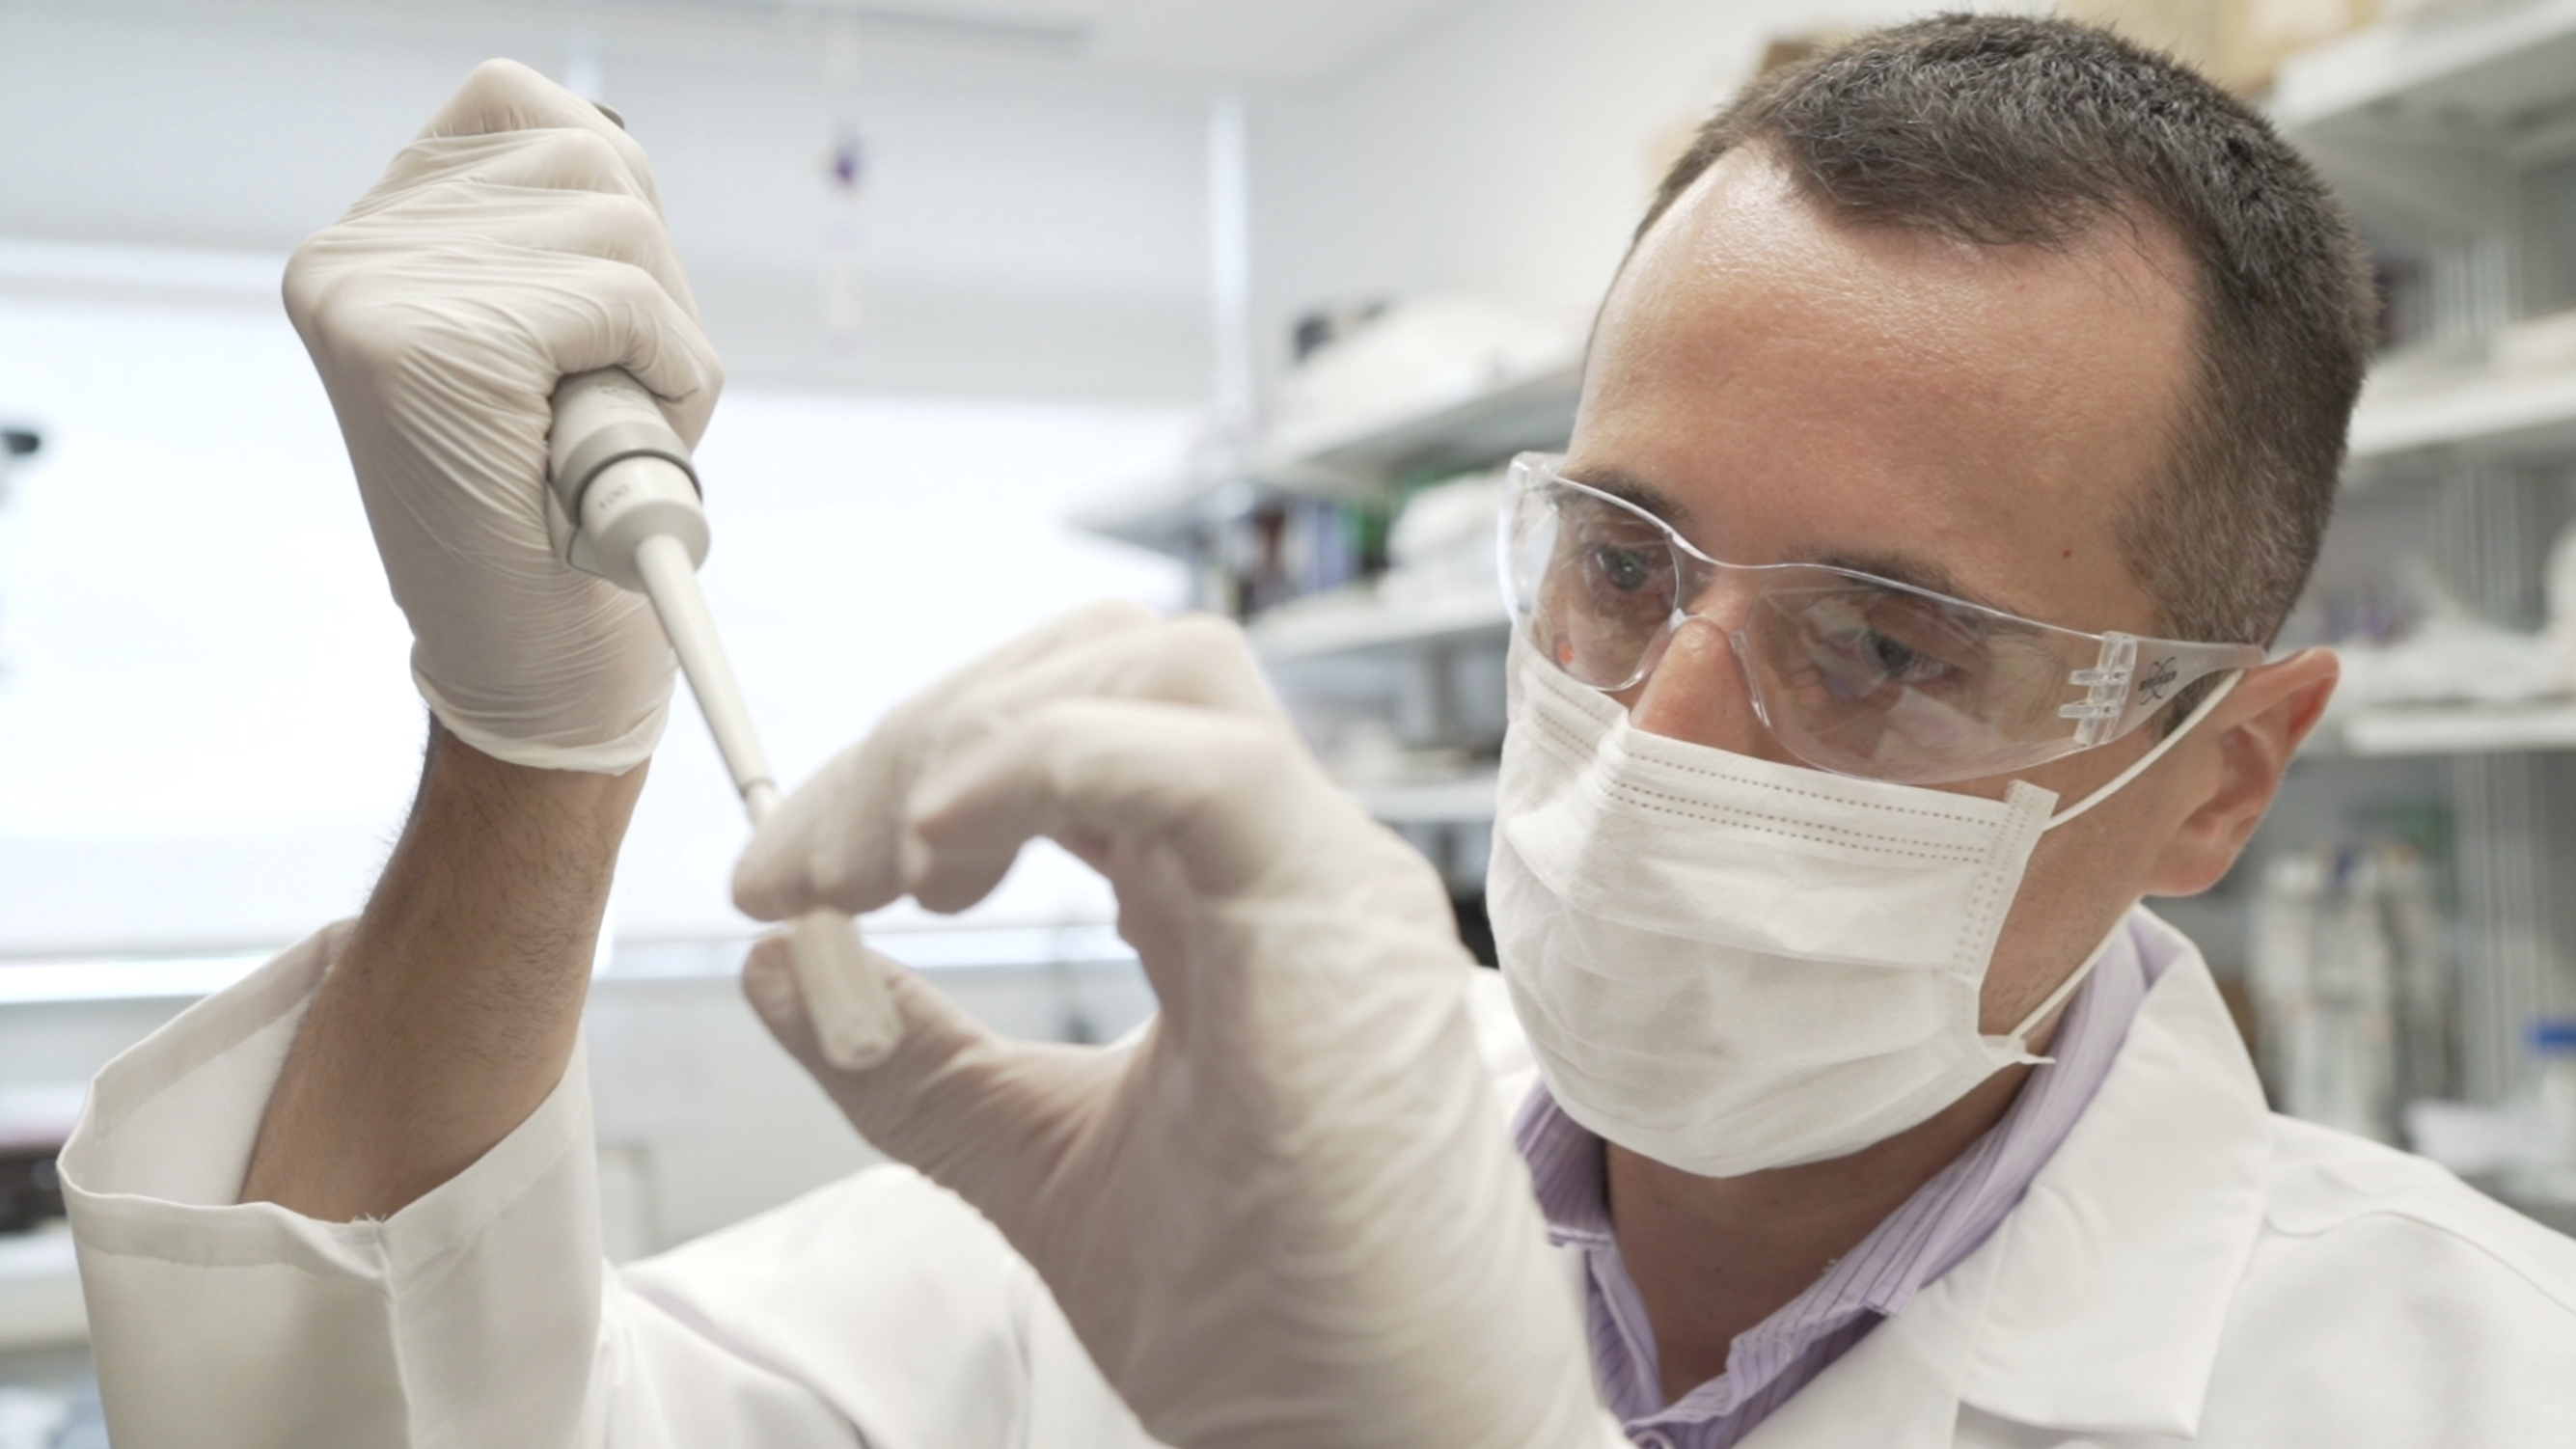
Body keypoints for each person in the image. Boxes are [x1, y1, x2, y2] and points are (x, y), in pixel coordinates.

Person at [58, 13, 2576, 1449]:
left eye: (1889, 646)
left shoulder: (2468, 1389)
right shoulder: (1168, 1194)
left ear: (2220, 776)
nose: (1657, 727)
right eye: (1620, 563)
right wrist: (526, 730)